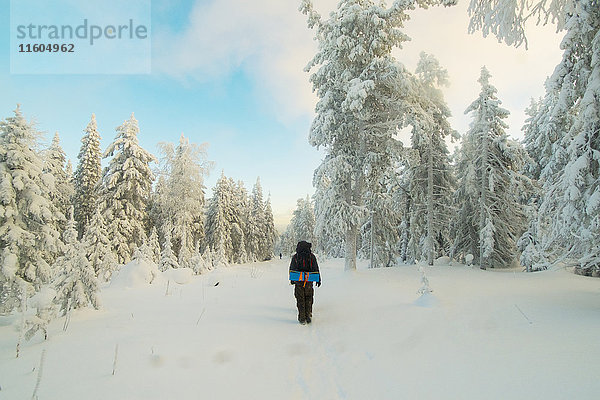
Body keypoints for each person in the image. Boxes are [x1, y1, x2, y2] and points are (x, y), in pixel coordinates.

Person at [289, 241, 321, 325]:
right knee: (309, 297)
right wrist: (318, 279)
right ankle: (308, 315)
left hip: (298, 282)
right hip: (309, 282)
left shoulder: (296, 257)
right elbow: (316, 268)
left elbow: (292, 268)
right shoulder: (311, 256)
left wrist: (292, 279)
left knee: (300, 298)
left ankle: (302, 318)